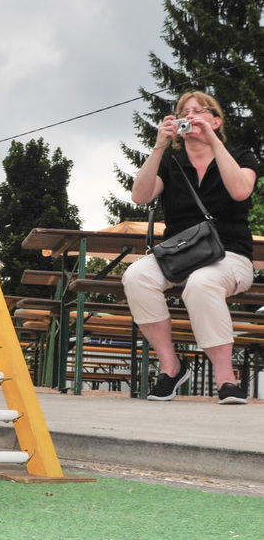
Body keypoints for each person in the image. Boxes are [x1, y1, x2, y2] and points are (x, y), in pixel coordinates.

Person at [123, 91, 257, 405]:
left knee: (201, 283)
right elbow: (140, 197)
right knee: (135, 276)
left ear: (216, 120)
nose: (192, 115)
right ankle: (171, 368)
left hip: (231, 255)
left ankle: (226, 378)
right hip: (181, 253)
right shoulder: (171, 163)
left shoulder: (240, 154)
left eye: (201, 111)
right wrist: (159, 146)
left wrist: (213, 140)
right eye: (186, 111)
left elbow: (240, 191)